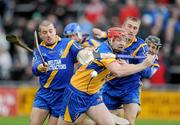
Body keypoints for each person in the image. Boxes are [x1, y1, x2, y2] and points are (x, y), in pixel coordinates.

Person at [57, 27, 155, 125]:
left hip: (93, 95)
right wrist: (144, 65)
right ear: (111, 40)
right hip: (76, 93)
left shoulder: (113, 52)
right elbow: (118, 71)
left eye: (124, 40)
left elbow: (120, 68)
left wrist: (128, 66)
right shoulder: (105, 50)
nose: (122, 43)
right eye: (118, 40)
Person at [93, 17, 160, 125]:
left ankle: (130, 109)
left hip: (130, 88)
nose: (131, 30)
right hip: (111, 87)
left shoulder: (141, 47)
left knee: (129, 122)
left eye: (135, 28)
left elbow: (146, 73)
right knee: (102, 122)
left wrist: (129, 65)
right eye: (129, 26)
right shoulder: (111, 41)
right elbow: (99, 52)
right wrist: (102, 34)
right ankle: (122, 111)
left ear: (138, 30)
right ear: (123, 26)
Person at [30, 20, 84, 125]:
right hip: (44, 94)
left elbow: (82, 52)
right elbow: (35, 68)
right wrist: (40, 67)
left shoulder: (68, 43)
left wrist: (87, 54)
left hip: (62, 96)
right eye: (44, 33)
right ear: (40, 35)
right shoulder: (39, 50)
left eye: (50, 31)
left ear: (55, 30)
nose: (48, 35)